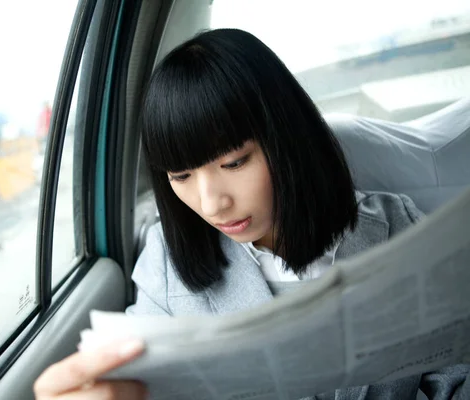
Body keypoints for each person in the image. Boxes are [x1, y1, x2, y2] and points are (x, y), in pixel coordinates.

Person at [34, 29, 469, 399]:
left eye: (235, 163)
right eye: (181, 175)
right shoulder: (167, 263)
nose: (212, 204)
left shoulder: (397, 226)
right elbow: (141, 376)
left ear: (287, 139)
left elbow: (456, 373)